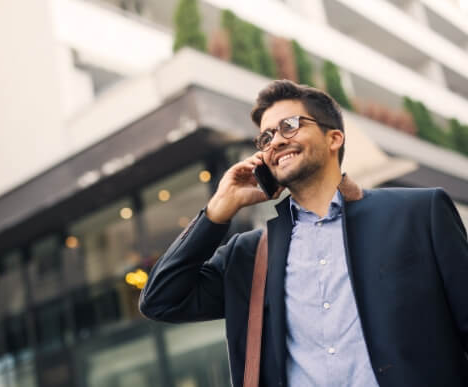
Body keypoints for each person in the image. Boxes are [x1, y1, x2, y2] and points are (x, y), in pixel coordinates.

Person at [139, 80, 468, 387]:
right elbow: (160, 301)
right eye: (265, 138)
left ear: (333, 138)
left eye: (290, 125)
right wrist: (220, 208)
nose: (277, 141)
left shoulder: (419, 213)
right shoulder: (249, 256)